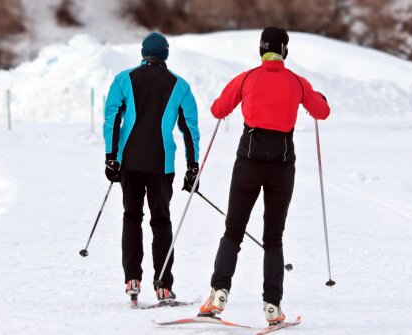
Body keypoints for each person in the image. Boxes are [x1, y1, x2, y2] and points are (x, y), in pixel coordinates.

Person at [199, 27, 330, 325]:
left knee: (233, 230)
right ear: (284, 51)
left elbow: (218, 109)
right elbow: (322, 112)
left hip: (248, 164)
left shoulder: (247, 78)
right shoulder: (297, 82)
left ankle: (218, 295)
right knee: (273, 238)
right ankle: (273, 306)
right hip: (282, 168)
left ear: (261, 50)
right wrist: (318, 97)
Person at [103, 32, 200, 303]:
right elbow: (190, 129)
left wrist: (111, 157)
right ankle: (163, 285)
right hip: (161, 163)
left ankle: (132, 279)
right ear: (165, 54)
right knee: (161, 221)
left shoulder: (123, 79)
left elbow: (112, 118)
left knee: (131, 217)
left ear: (143, 53)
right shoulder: (180, 86)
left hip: (130, 161)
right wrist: (193, 167)